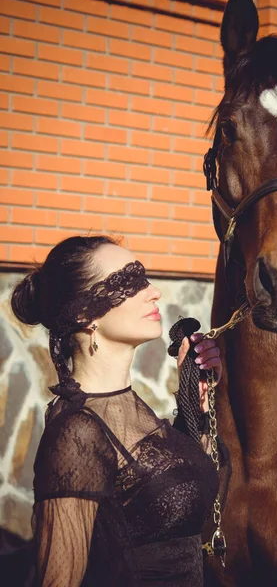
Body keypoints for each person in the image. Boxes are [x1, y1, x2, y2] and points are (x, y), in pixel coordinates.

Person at [11, 235, 226, 587]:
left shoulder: (132, 410)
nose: (153, 291)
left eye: (143, 277)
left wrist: (194, 402)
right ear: (84, 314)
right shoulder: (76, 433)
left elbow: (185, 503)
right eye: (128, 282)